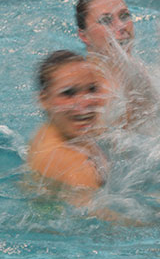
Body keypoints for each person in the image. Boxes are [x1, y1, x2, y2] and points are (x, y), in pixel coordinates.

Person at [26, 50, 133, 223]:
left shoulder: (55, 129)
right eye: (68, 93)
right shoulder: (75, 165)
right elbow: (100, 221)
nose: (85, 102)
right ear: (44, 100)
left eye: (92, 89)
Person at [75, 0, 159, 129]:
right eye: (106, 20)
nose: (121, 26)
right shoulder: (89, 91)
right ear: (84, 36)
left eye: (124, 16)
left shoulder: (136, 69)